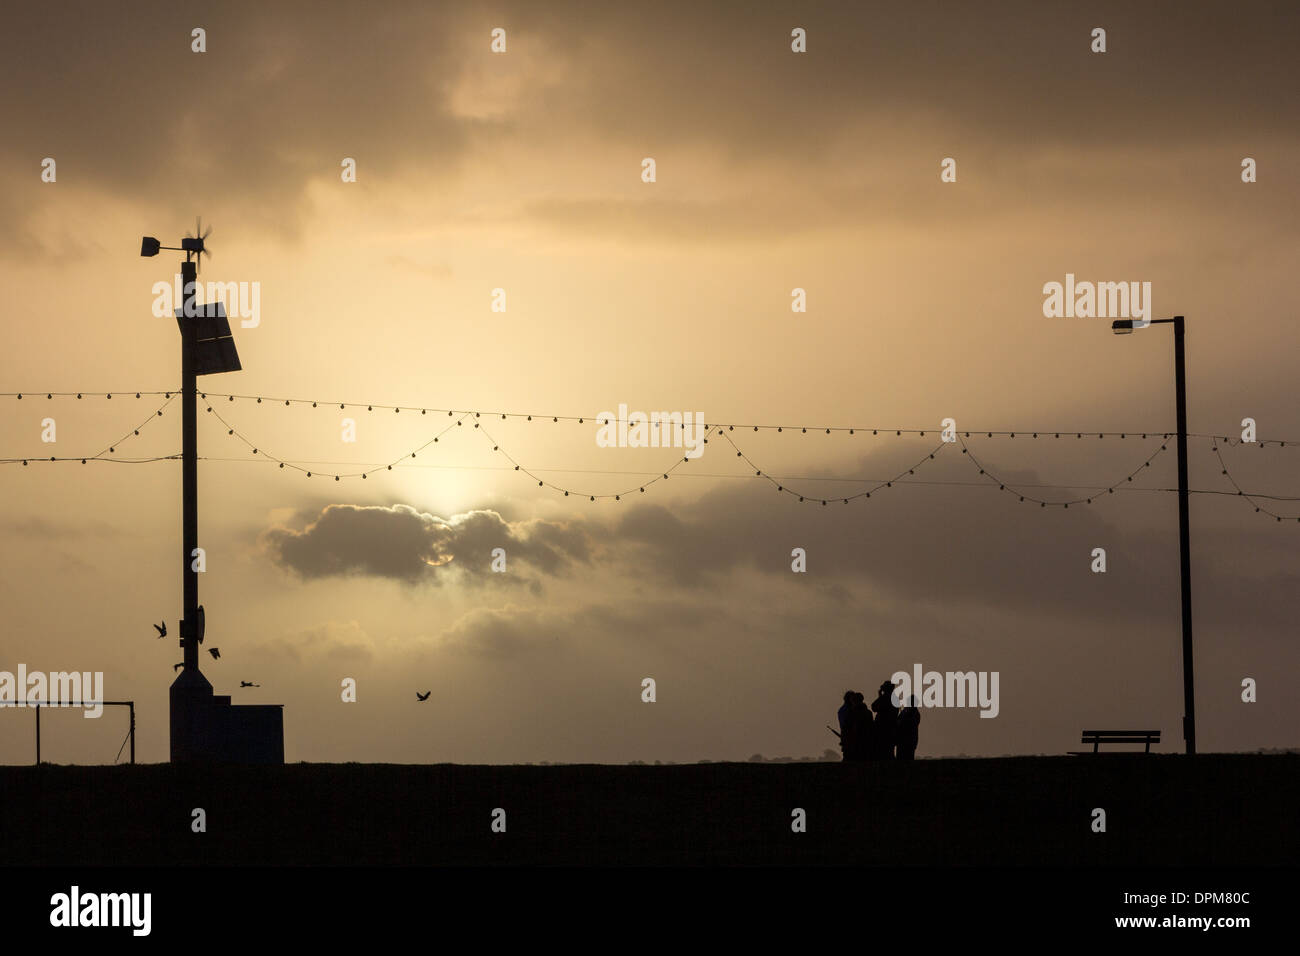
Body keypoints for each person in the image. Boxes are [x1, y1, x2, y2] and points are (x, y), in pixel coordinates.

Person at [871, 680, 899, 759]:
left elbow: (874, 707)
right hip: (891, 729)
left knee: (882, 752)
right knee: (889, 751)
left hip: (882, 729)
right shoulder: (894, 699)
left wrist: (880, 696)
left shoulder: (885, 698)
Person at [897, 694, 921, 760]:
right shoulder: (909, 712)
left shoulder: (913, 713)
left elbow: (905, 724)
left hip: (907, 741)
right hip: (905, 740)